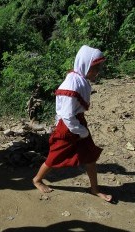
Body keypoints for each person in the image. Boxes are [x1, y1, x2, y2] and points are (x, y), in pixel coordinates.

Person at [32, 45, 115, 203]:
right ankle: (37, 179)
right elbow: (67, 115)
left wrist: (81, 129)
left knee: (90, 156)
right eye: (95, 68)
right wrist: (81, 131)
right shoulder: (72, 84)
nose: (97, 72)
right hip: (69, 126)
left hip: (77, 123)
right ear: (85, 65)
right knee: (55, 156)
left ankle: (94, 188)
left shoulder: (80, 80)